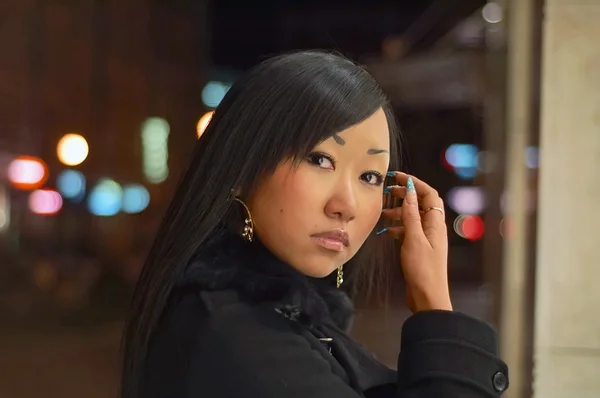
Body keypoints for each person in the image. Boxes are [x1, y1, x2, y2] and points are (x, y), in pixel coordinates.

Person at [120, 50, 509, 398]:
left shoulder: (280, 317)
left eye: (371, 176)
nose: (348, 205)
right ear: (242, 167)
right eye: (320, 160)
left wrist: (431, 301)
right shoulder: (234, 337)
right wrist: (434, 306)